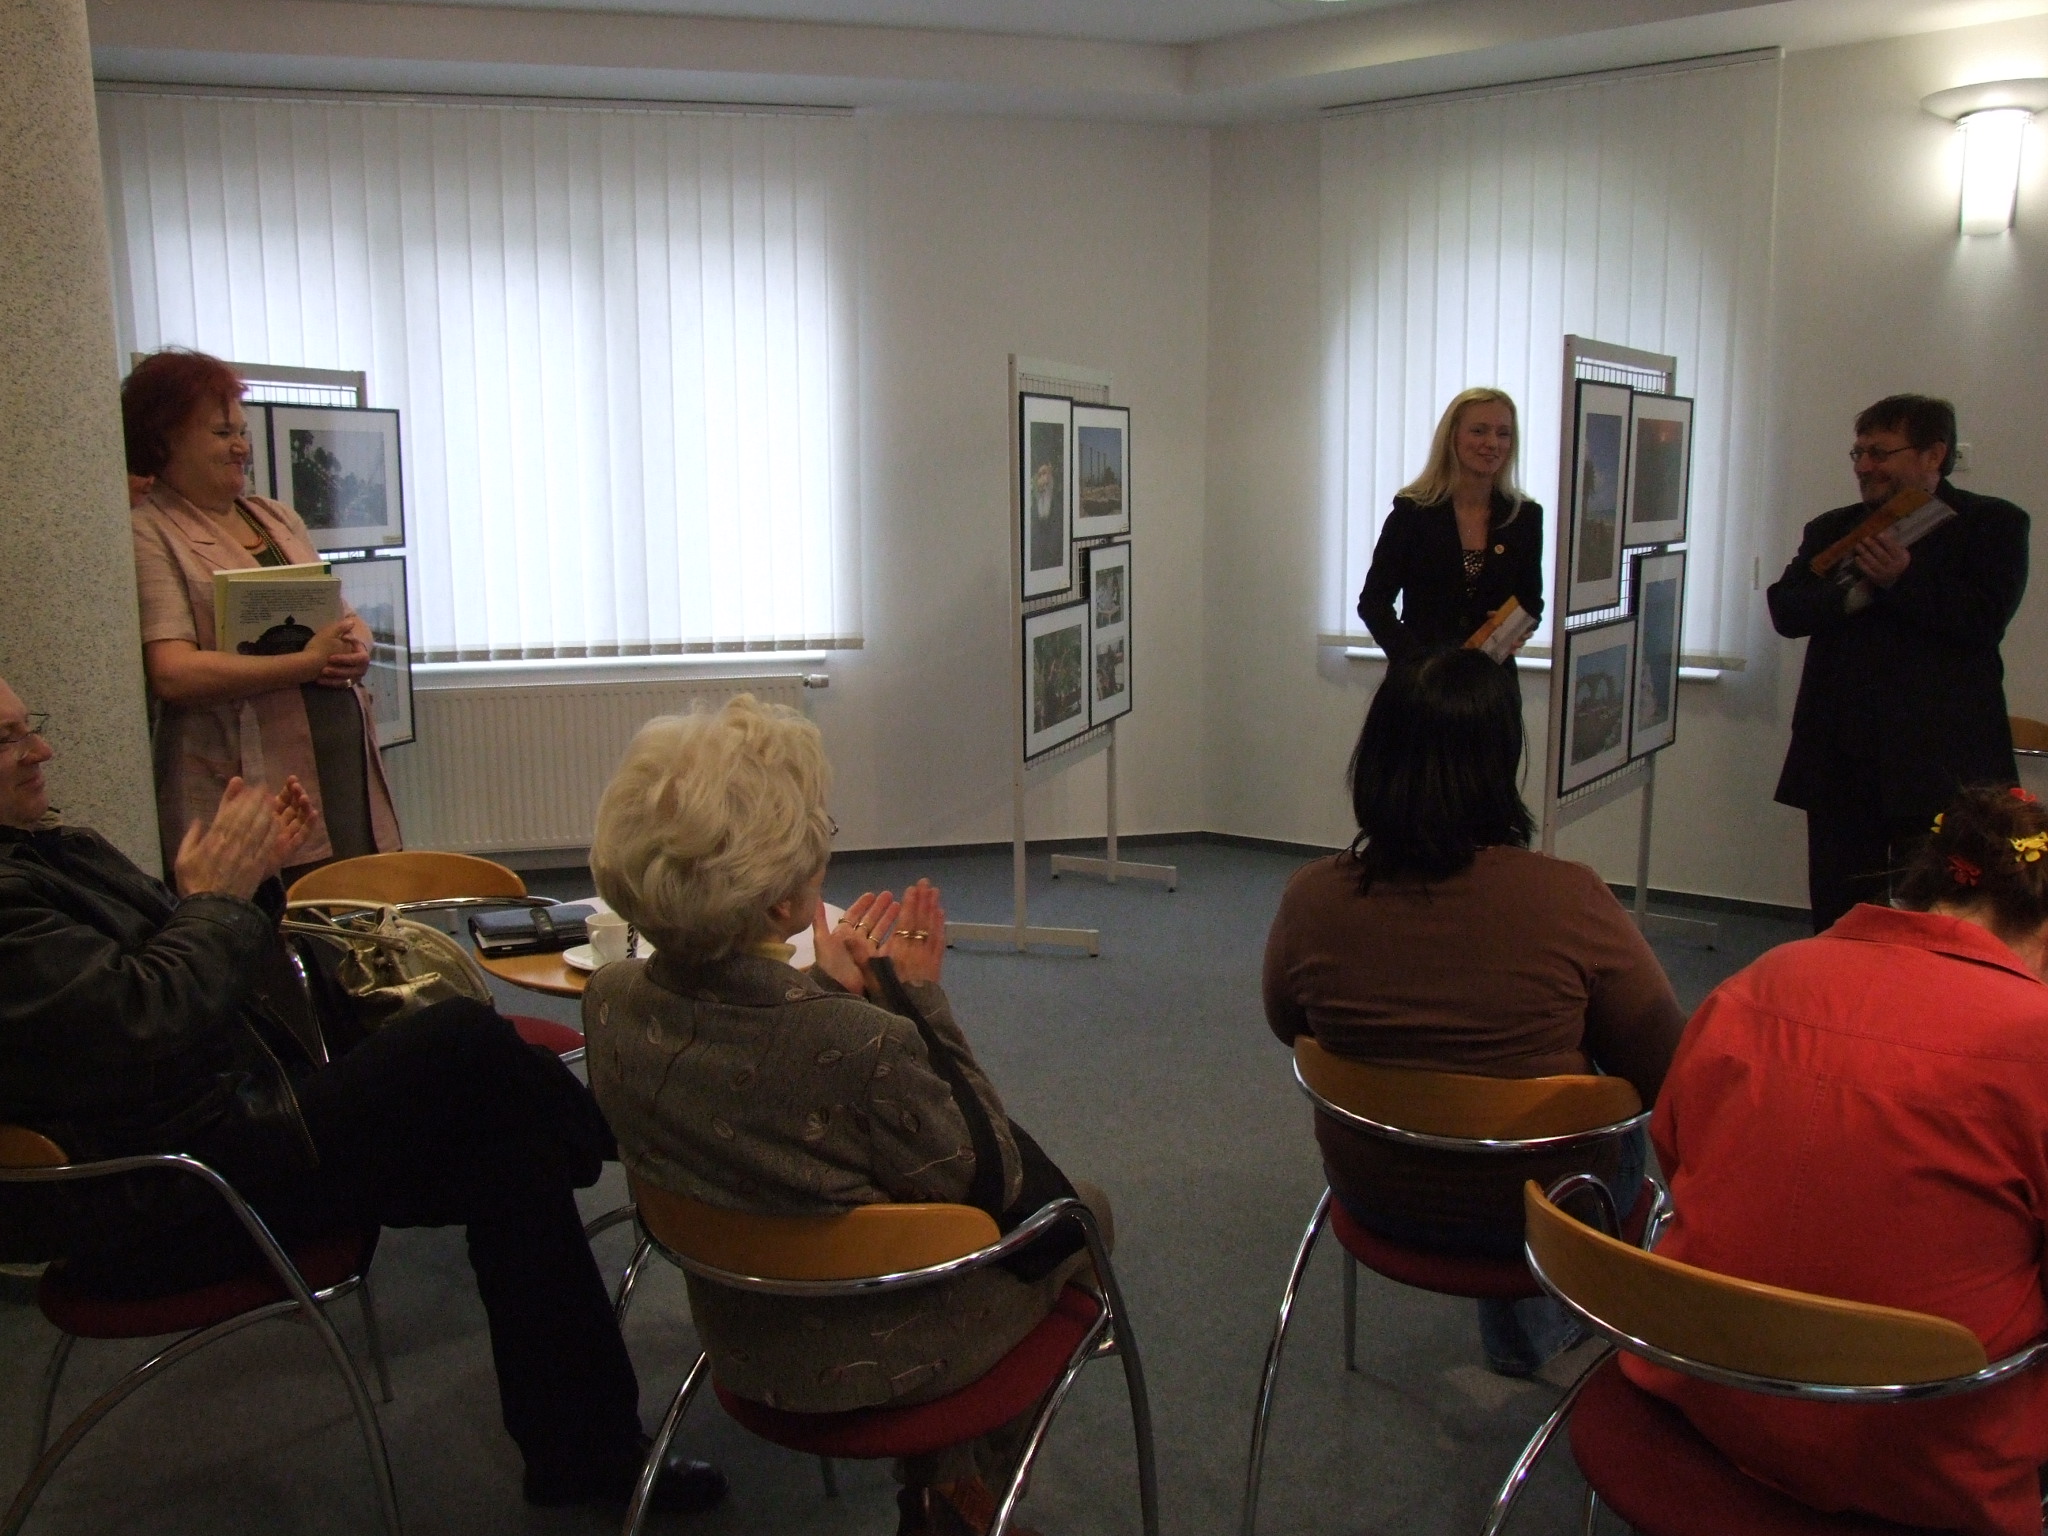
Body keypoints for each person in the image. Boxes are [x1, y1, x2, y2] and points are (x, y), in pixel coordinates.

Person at [0, 676, 725, 1515]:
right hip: (167, 1201)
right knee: (462, 1042)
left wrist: (248, 884)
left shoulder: (54, 851)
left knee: (509, 1146)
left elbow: (193, 970)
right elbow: (148, 1019)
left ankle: (585, 1456)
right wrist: (215, 899)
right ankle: (644, 1146)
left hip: (233, 1129)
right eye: (9, 739)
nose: (41, 750)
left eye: (29, 725)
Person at [583, 695, 1112, 1536]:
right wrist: (918, 1001)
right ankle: (957, 1493)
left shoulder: (609, 1001)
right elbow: (994, 1177)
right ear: (780, 907)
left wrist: (825, 995)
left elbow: (746, 1079)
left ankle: (949, 1492)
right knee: (1085, 1213)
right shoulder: (863, 1045)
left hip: (737, 1334)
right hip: (872, 1359)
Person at [1630, 785, 2048, 1535]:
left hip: (1706, 1392)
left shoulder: (1757, 980)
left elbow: (1678, 1154)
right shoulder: (2033, 1043)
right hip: (1926, 1460)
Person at [1262, 648, 1682, 1374]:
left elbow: (1286, 1025)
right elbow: (1667, 1067)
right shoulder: (1571, 899)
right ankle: (1544, 1326)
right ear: (1502, 760)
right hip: (1543, 1211)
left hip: (1375, 1191)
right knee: (1613, 1123)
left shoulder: (1311, 899)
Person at [124, 348, 401, 880]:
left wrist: (359, 648)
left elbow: (342, 613)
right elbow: (173, 673)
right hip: (245, 776)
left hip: (341, 766)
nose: (240, 447)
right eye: (221, 432)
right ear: (163, 439)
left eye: (242, 432)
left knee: (358, 899)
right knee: (281, 911)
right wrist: (304, 664)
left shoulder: (275, 517)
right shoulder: (149, 531)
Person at [1768, 393, 2029, 933]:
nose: (1864, 466)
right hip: (1842, 757)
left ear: (1934, 454)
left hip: (1944, 762)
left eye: (1880, 452)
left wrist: (1902, 579)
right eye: (1858, 452)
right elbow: (1786, 610)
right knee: (1841, 919)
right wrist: (1853, 594)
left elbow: (1983, 620)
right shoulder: (1832, 528)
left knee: (1945, 921)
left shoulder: (1992, 524)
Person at [1356, 388, 1545, 666]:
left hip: (1491, 680)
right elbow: (1374, 604)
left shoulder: (1525, 516)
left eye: (1503, 433)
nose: (1492, 443)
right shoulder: (1412, 512)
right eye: (1479, 431)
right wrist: (1417, 662)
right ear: (1452, 437)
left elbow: (1530, 600)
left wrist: (1517, 627)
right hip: (1420, 680)